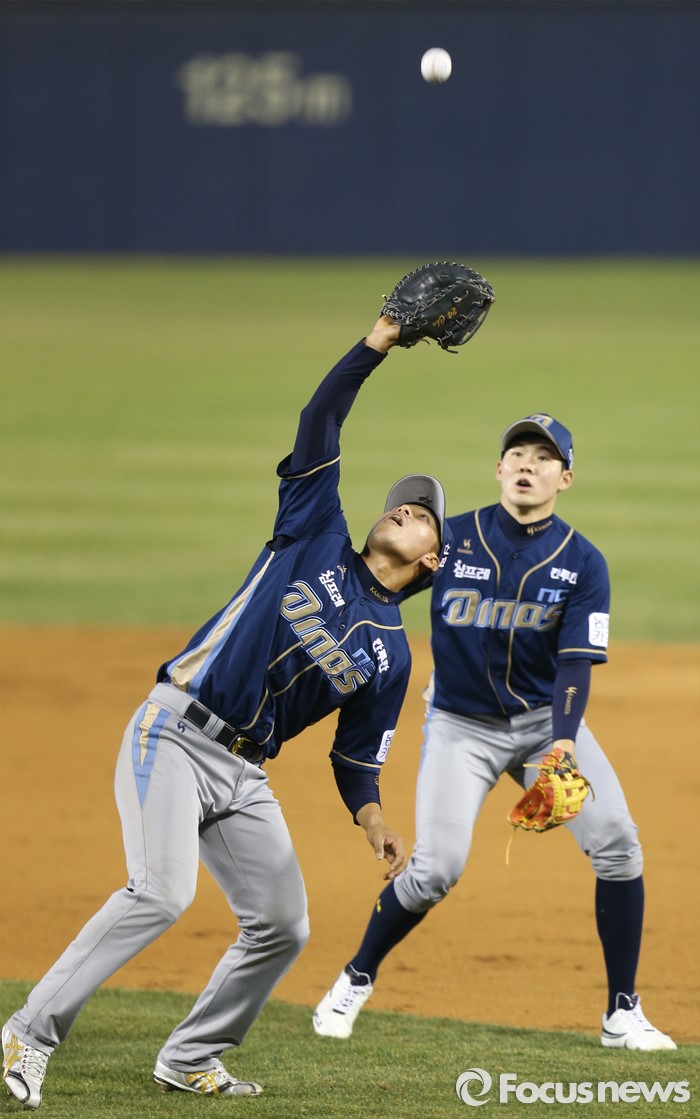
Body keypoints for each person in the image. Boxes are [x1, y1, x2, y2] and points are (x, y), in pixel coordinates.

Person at [2, 315, 451, 1110]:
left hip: (243, 774)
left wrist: (375, 819)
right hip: (176, 730)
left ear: (431, 559)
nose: (402, 511)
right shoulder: (314, 530)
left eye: (419, 515)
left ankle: (191, 1057)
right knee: (161, 891)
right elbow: (321, 417)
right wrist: (378, 340)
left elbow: (356, 755)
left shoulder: (391, 654)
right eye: (401, 505)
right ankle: (26, 1033)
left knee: (284, 922)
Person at [313, 413, 676, 1051]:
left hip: (544, 727)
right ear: (500, 469)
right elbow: (379, 583)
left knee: (619, 842)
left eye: (544, 457)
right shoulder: (451, 541)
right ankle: (355, 978)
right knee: (436, 870)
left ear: (565, 478)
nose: (528, 464)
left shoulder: (583, 563)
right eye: (518, 454)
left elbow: (575, 664)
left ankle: (622, 1013)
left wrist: (563, 744)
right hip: (460, 727)